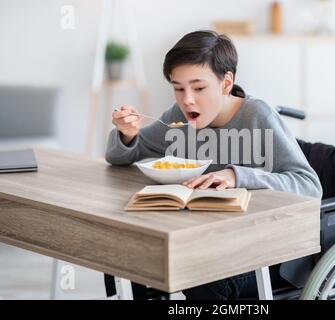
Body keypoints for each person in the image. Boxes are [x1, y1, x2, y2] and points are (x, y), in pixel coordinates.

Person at [105, 30, 322, 300]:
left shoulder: (257, 116)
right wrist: (127, 133)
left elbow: (309, 185)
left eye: (198, 88)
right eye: (178, 88)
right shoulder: (179, 119)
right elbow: (121, 156)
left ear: (226, 83)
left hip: (265, 253)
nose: (187, 100)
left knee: (200, 273)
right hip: (207, 241)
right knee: (127, 252)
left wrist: (236, 175)